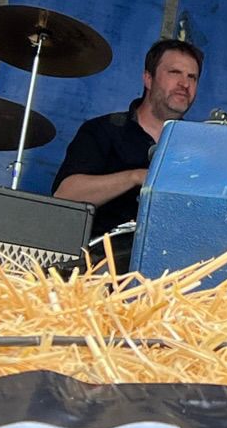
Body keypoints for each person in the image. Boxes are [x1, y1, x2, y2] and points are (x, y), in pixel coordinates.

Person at [54, 38, 201, 270]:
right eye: (175, 73)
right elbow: (65, 195)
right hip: (100, 265)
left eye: (192, 77)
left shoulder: (198, 148)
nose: (185, 83)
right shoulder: (104, 130)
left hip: (173, 268)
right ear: (148, 78)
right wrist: (135, 177)